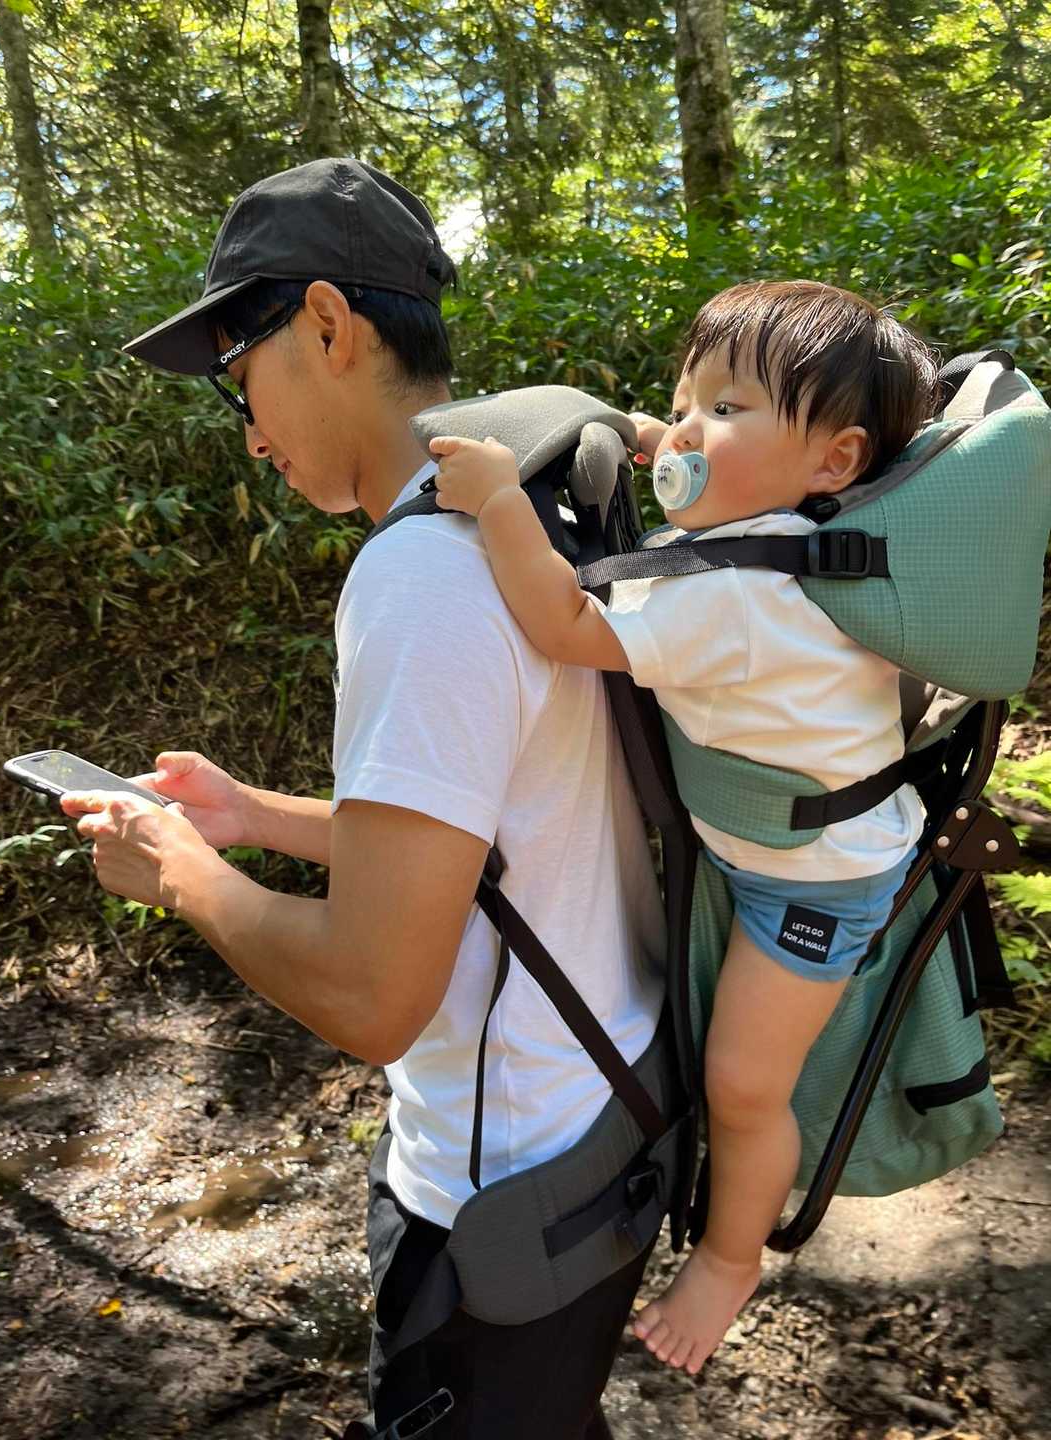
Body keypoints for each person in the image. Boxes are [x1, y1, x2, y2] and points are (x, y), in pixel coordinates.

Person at [58, 157, 666, 1439]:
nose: (249, 432)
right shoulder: (527, 511)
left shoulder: (420, 575)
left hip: (495, 1206)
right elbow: (500, 836)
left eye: (238, 376)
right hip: (599, 1126)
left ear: (329, 326)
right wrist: (250, 817)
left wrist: (182, 873)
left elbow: (374, 994)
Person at [429, 278, 937, 1377]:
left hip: (811, 886)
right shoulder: (785, 536)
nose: (687, 431)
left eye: (727, 408)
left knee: (743, 1085)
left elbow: (566, 624)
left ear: (836, 461)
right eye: (682, 402)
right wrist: (666, 434)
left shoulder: (735, 596)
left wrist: (500, 504)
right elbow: (706, 475)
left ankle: (730, 1261)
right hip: (786, 846)